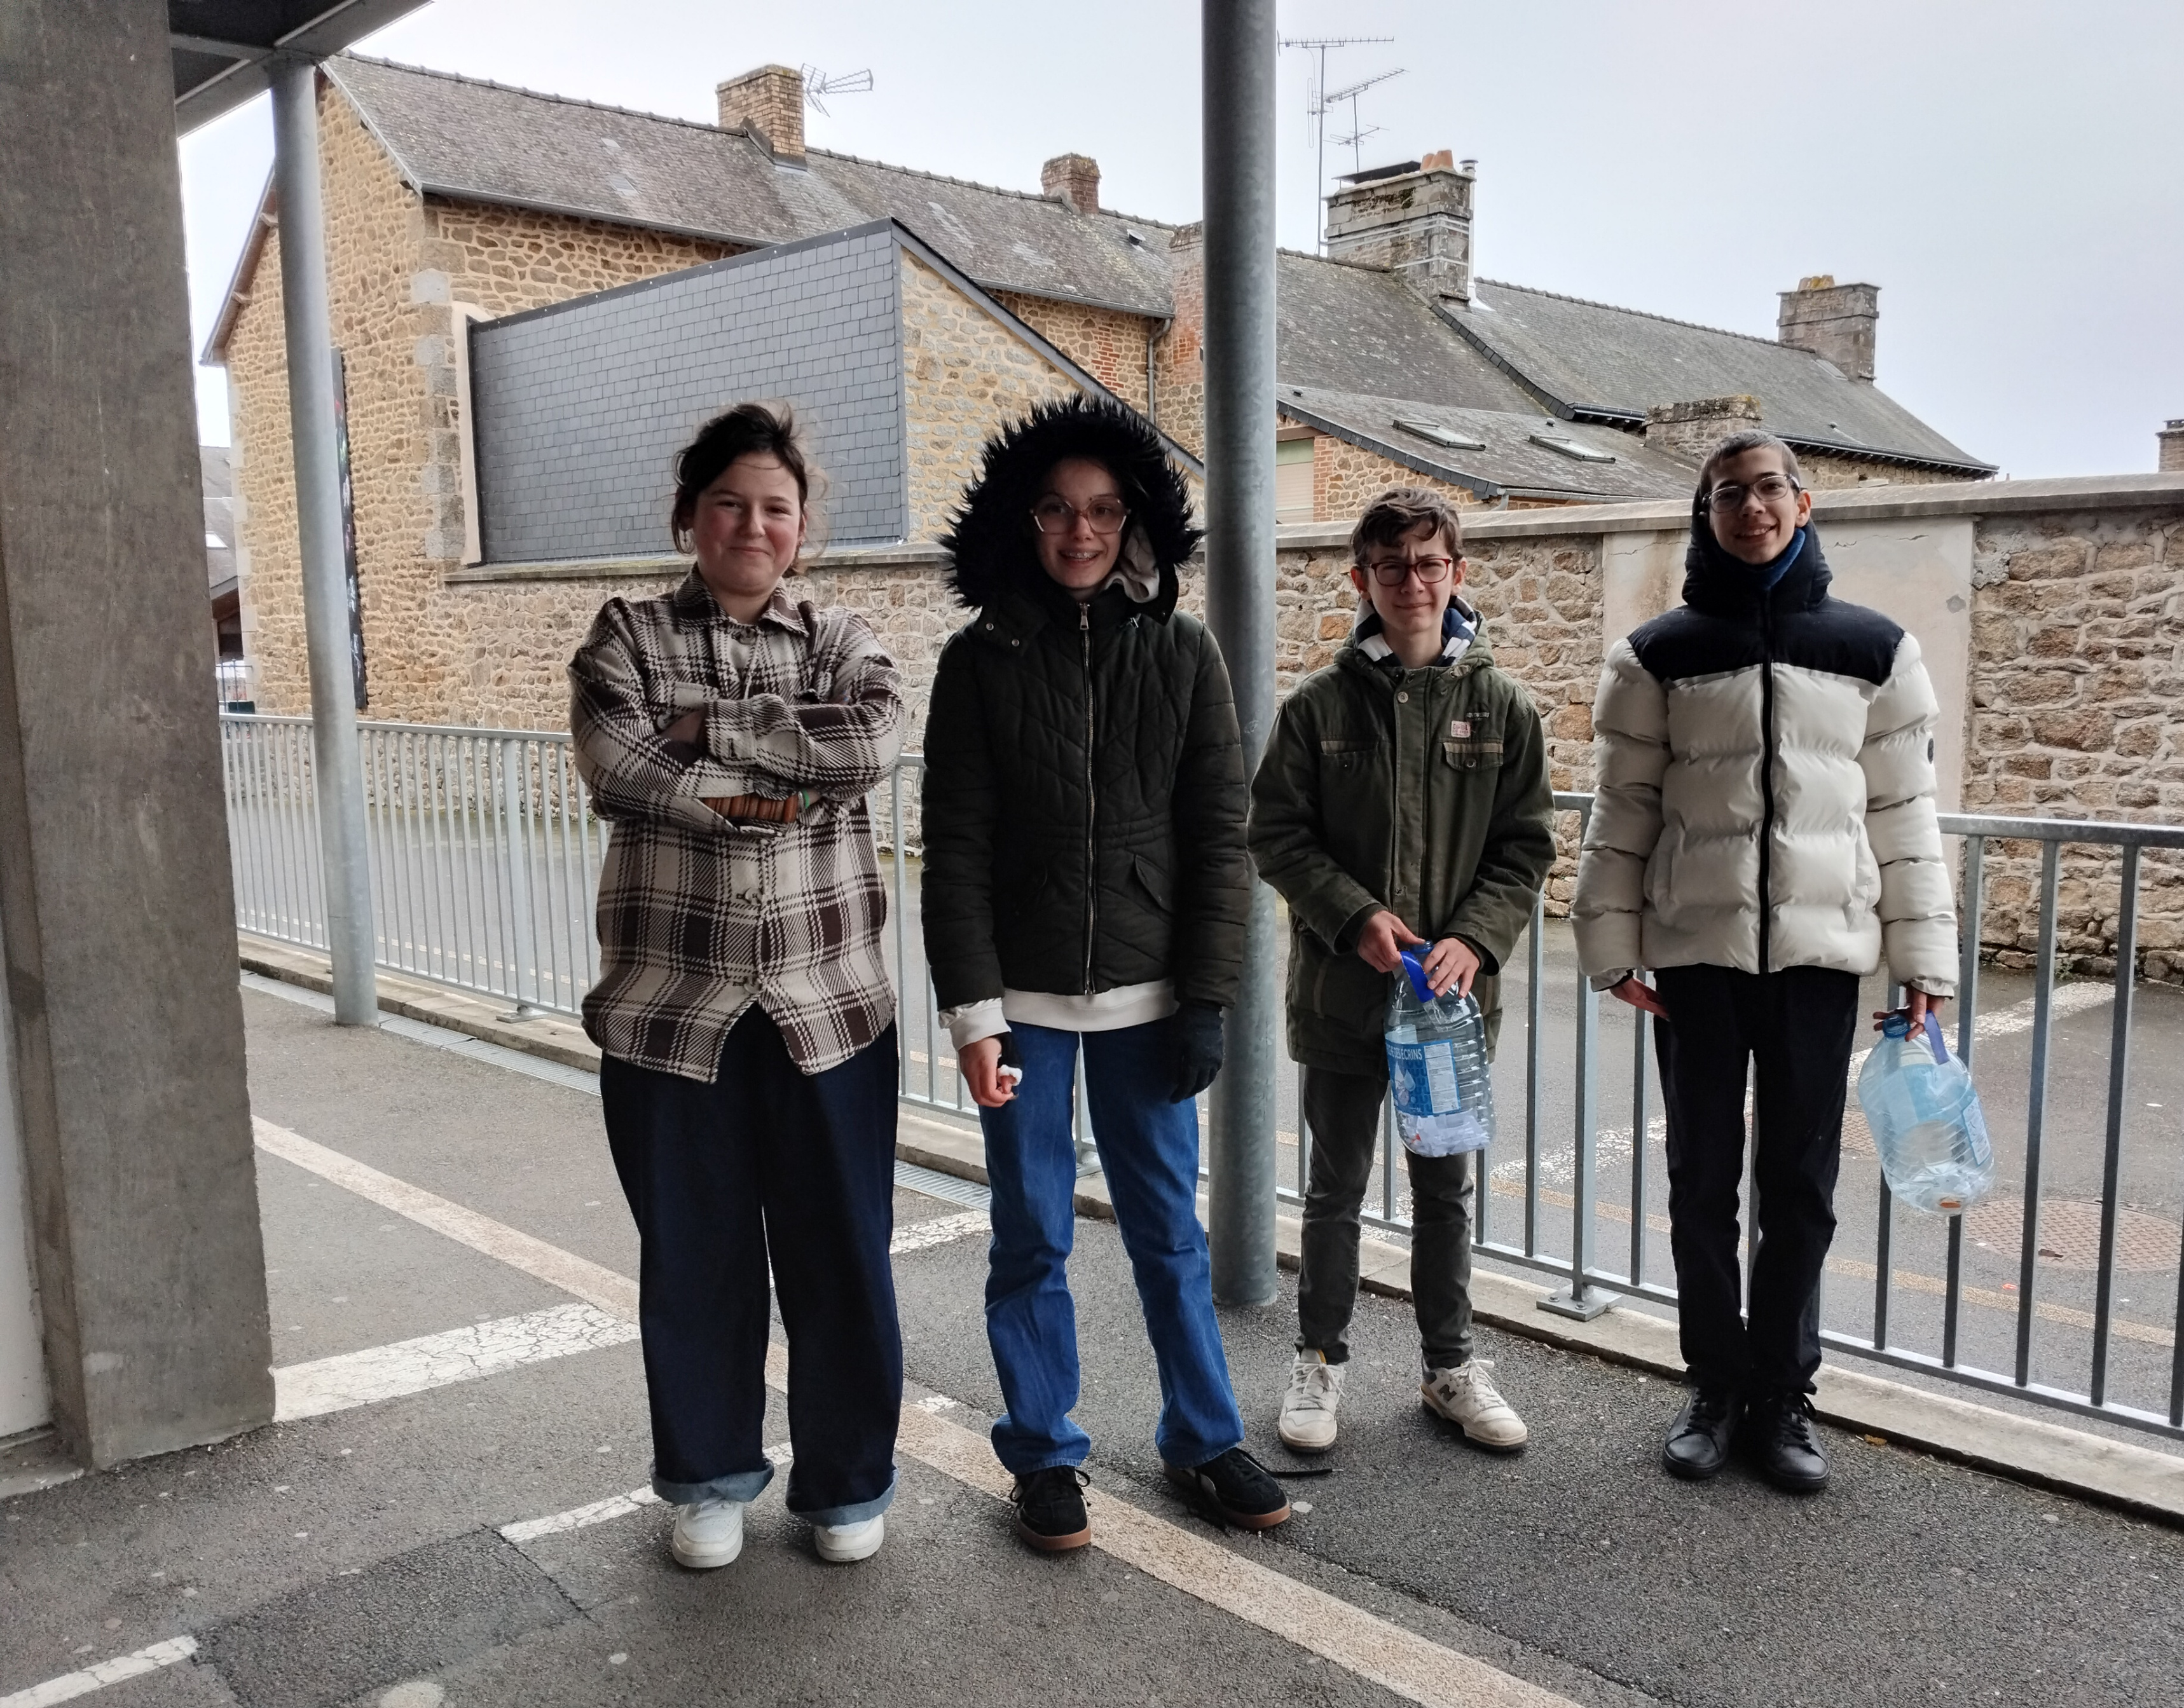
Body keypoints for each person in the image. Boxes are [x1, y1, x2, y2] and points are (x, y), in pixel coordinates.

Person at [922, 393, 1289, 1550]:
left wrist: (1208, 999)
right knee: (1032, 1235)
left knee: (1169, 1233)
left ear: (1136, 522)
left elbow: (1219, 837)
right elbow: (957, 847)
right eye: (1056, 510)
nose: (1080, 531)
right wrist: (973, 1015)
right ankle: (1042, 1453)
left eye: (1102, 510)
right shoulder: (976, 662)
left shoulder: (1183, 651)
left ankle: (1204, 1438)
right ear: (1022, 521)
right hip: (1023, 1004)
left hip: (1150, 999)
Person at [1572, 432, 1957, 1493]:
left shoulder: (1875, 649)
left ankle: (1783, 1394)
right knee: (1700, 1183)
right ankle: (1714, 1385)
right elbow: (1622, 815)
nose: (1752, 508)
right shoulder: (1657, 654)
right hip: (1696, 960)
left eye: (1770, 488)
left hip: (1819, 963)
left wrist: (1924, 958)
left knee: (1800, 1187)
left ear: (1803, 501)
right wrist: (1611, 948)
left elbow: (1906, 818)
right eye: (1729, 493)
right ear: (1706, 513)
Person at [570, 402, 905, 1570]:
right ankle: (708, 1477)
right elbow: (622, 765)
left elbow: (872, 745)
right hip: (671, 1014)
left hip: (831, 1009)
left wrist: (708, 728)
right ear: (689, 516)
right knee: (695, 1257)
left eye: (775, 508)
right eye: (729, 503)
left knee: (842, 1256)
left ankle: (847, 1485)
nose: (753, 526)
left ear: (802, 527)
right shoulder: (624, 637)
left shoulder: (845, 639)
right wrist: (781, 787)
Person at [1248, 489, 1555, 1454]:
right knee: (1334, 1191)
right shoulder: (1318, 708)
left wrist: (1476, 938)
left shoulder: (1503, 708)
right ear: (1362, 580)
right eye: (1392, 567)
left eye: (1428, 564)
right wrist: (1354, 916)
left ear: (1457, 573)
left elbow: (1526, 847)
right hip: (1343, 998)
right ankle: (1319, 1362)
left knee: (1444, 1196)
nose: (1412, 583)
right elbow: (1276, 835)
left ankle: (1449, 1368)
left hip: (1449, 1011)